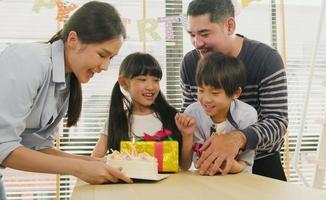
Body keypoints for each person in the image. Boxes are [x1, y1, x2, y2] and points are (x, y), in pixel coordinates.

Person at [0, 1, 132, 198]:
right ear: (73, 39)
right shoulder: (28, 60)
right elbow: (4, 146)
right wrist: (78, 168)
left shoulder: (66, 81)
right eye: (102, 55)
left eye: (111, 58)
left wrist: (91, 163)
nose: (105, 66)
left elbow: (37, 146)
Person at [180, 0, 288, 180]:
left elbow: (278, 121)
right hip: (209, 166)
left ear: (229, 25)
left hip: (262, 165)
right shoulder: (190, 63)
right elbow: (192, 115)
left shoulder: (266, 59)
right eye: (192, 34)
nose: (197, 43)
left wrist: (237, 139)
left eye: (205, 33)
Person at [91, 52, 195, 165]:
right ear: (124, 83)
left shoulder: (172, 117)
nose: (151, 87)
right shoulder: (116, 120)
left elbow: (185, 165)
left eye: (156, 80)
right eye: (142, 79)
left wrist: (187, 135)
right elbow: (94, 162)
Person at [178, 52, 257, 174]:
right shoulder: (192, 112)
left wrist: (231, 166)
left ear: (235, 93)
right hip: (204, 179)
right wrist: (187, 135)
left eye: (215, 93)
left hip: (238, 179)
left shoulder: (247, 115)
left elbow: (245, 163)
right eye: (201, 90)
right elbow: (189, 164)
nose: (206, 99)